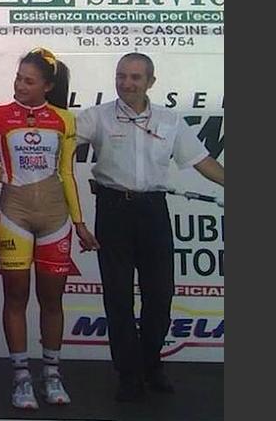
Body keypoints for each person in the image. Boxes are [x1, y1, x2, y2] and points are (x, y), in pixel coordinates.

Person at [75, 52, 224, 402]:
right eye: (121, 76)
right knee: (118, 298)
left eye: (135, 77)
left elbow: (204, 163)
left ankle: (151, 363)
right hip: (113, 211)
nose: (126, 83)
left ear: (150, 83)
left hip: (153, 211)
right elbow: (59, 145)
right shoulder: (95, 117)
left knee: (160, 295)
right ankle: (128, 375)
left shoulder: (169, 121)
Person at [0, 48, 98, 410]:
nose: (20, 85)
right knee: (16, 297)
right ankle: (21, 377)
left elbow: (67, 174)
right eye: (17, 78)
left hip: (55, 219)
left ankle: (52, 374)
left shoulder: (63, 119)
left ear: (48, 85)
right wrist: (9, 178)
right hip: (14, 214)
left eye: (29, 81)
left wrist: (79, 223)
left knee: (52, 300)